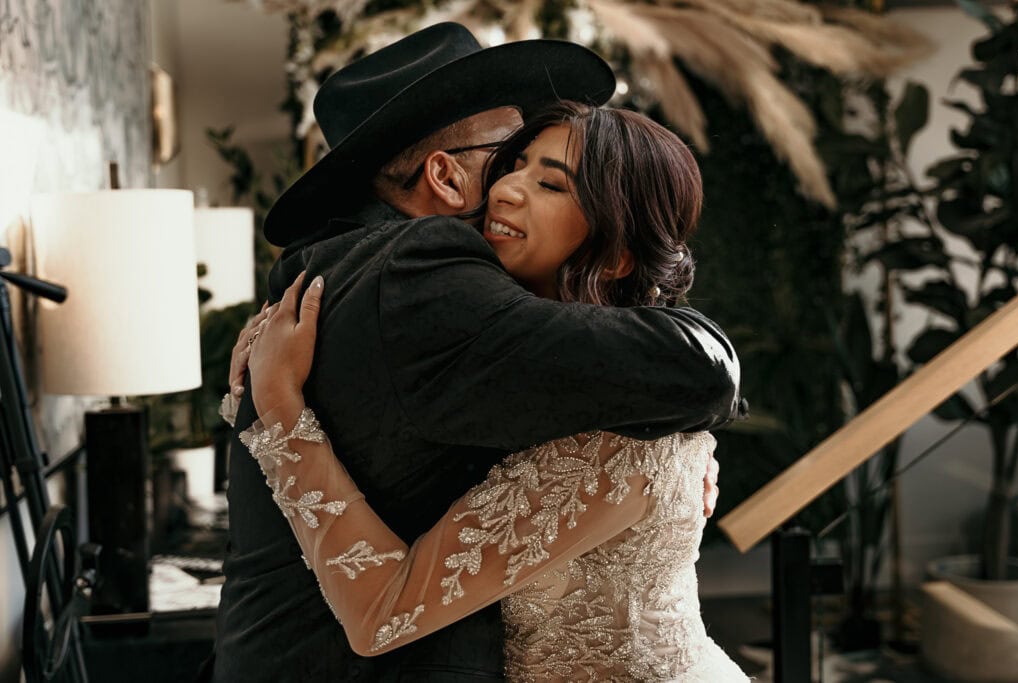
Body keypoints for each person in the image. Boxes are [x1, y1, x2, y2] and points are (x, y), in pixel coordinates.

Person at [212, 23, 742, 682]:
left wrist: (281, 409)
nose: (509, 187)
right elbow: (690, 374)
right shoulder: (426, 273)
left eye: (548, 179)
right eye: (511, 156)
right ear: (444, 174)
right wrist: (280, 414)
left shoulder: (333, 276)